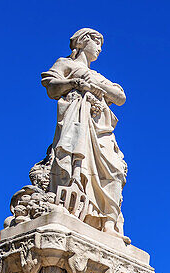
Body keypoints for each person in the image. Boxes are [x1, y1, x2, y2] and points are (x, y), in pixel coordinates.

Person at [40, 28, 129, 238]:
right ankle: (73, 211)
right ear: (83, 41)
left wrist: (95, 85)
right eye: (96, 43)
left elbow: (121, 97)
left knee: (114, 169)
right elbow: (51, 87)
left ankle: (108, 223)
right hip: (77, 120)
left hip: (100, 127)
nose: (99, 49)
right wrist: (74, 83)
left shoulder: (97, 76)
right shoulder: (66, 64)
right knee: (73, 165)